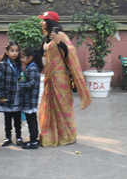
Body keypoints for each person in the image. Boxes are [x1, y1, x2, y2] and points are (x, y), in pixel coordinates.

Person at [37, 11, 91, 147]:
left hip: (61, 78)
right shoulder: (47, 37)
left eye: (44, 20)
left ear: (50, 22)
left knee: (63, 106)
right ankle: (50, 134)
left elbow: (71, 51)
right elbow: (40, 53)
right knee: (50, 106)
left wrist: (59, 43)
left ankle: (68, 135)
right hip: (50, 77)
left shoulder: (61, 35)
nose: (41, 22)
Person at [0, 42, 23, 147]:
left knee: (17, 119)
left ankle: (19, 137)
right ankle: (8, 137)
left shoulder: (19, 64)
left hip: (17, 96)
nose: (14, 53)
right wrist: (1, 96)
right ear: (7, 52)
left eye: (16, 51)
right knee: (7, 119)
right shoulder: (2, 65)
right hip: (7, 96)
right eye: (12, 51)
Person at [18, 47, 43, 150]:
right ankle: (33, 139)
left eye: (23, 57)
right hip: (30, 99)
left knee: (31, 120)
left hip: (30, 99)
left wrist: (21, 84)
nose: (21, 60)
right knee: (31, 119)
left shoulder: (32, 68)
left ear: (30, 57)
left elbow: (32, 83)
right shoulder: (31, 67)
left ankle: (34, 141)